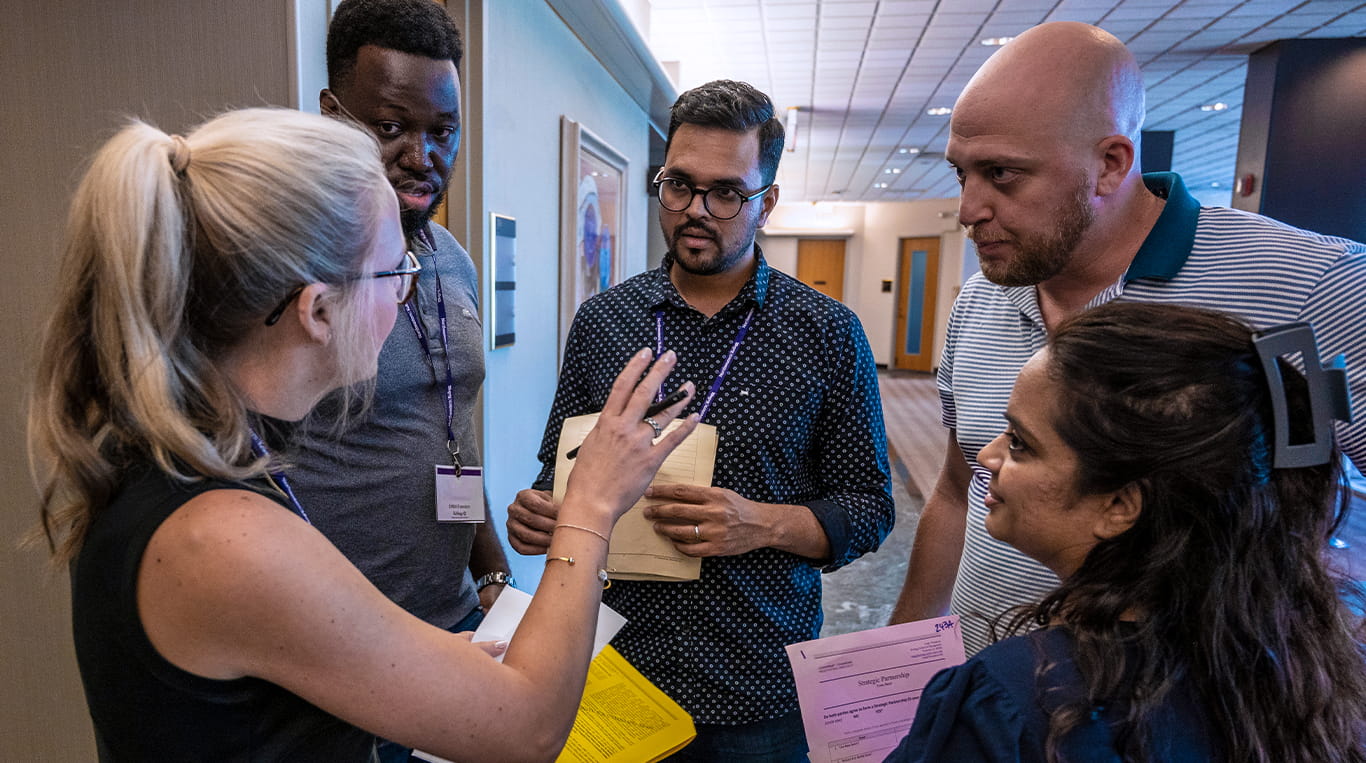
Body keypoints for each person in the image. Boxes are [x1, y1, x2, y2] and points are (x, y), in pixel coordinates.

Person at [30, 107, 697, 761]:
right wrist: (591, 506)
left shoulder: (189, 453)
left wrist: (411, 669)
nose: (406, 292)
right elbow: (527, 728)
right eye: (394, 271)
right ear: (317, 309)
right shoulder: (222, 539)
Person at [889, 21, 1366, 654]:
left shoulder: (1309, 287)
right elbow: (955, 492)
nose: (970, 209)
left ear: (1110, 164)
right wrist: (903, 652)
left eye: (1003, 174)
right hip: (993, 692)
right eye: (961, 174)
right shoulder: (981, 300)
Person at [506, 79, 895, 761]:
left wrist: (763, 522)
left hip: (757, 690)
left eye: (726, 193)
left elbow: (869, 507)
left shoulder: (827, 333)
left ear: (767, 201)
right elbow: (557, 468)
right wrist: (540, 510)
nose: (696, 210)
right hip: (611, 669)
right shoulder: (604, 322)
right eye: (678, 186)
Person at [886, 301, 1365, 761]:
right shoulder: (1301, 674)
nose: (987, 457)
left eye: (1019, 443)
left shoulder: (1013, 700)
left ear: (1119, 505)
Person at [274, 0, 513, 690]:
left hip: (459, 626)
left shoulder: (451, 261)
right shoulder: (286, 274)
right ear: (330, 113)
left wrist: (490, 570)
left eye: (444, 130)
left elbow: (447, 430)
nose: (422, 157)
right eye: (390, 127)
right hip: (334, 656)